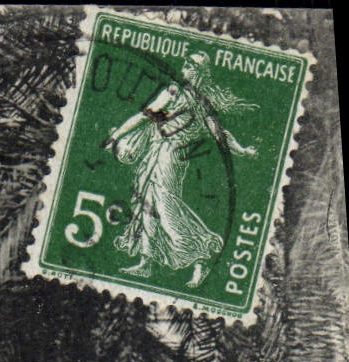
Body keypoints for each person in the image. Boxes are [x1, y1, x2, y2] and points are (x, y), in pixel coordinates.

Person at [103, 51, 259, 288]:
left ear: (198, 71)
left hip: (173, 156)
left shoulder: (203, 102)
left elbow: (219, 134)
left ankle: (201, 257)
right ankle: (146, 262)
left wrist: (242, 150)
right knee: (147, 204)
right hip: (155, 150)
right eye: (185, 63)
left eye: (189, 65)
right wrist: (116, 135)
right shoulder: (174, 91)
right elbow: (145, 115)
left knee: (167, 208)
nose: (183, 68)